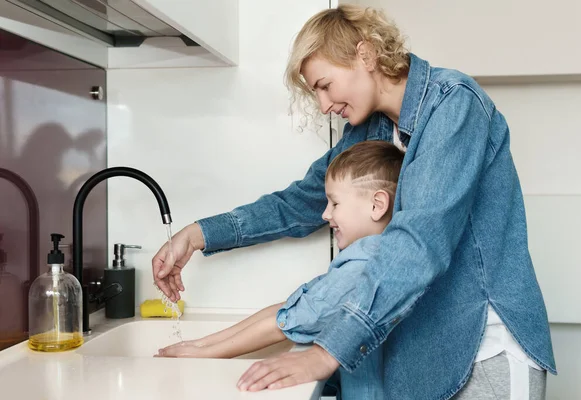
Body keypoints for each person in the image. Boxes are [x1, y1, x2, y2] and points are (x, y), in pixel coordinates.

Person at [152, 5, 556, 399]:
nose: (325, 105)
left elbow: (419, 241)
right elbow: (301, 202)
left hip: (485, 347)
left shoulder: (454, 104)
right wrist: (200, 233)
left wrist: (327, 352)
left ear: (365, 54)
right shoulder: (370, 129)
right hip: (425, 350)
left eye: (325, 85)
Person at [156, 140, 404, 399]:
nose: (325, 215)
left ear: (377, 205)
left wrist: (204, 354)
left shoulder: (363, 268)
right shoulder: (365, 258)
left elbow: (286, 321)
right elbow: (290, 308)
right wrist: (200, 344)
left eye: (334, 203)